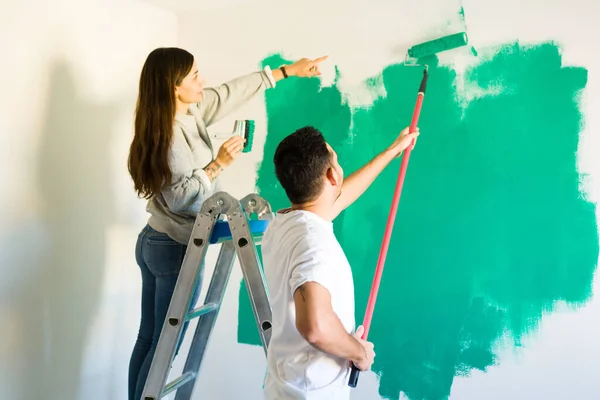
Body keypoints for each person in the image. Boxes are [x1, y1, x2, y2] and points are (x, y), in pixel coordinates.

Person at [126, 47, 327, 400]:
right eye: (193, 77)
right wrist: (217, 165)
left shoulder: (188, 112)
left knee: (150, 338)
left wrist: (284, 72)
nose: (202, 80)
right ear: (174, 86)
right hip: (172, 247)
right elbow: (181, 197)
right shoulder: (170, 133)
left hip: (155, 240)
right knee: (163, 348)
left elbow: (228, 93)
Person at [261, 125, 419, 399]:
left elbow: (339, 197)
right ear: (332, 175)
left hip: (288, 387)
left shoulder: (284, 223)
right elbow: (315, 325)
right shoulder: (314, 242)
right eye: (335, 160)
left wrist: (393, 151)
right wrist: (360, 353)